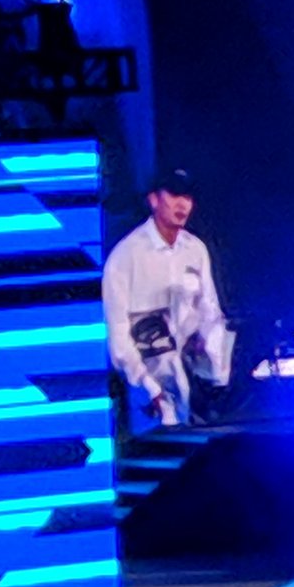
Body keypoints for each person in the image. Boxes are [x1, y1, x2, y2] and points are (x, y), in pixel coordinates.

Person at [102, 169, 234, 433]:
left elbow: (209, 311)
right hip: (147, 388)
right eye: (174, 195)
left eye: (187, 197)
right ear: (154, 200)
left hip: (192, 384)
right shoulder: (126, 256)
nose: (182, 204)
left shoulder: (195, 249)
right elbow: (118, 337)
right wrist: (149, 389)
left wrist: (216, 374)